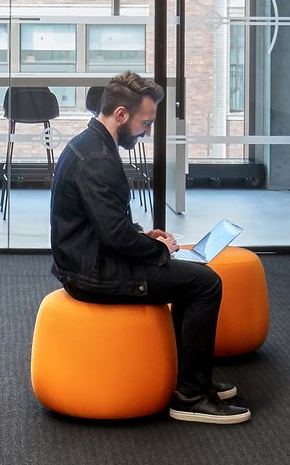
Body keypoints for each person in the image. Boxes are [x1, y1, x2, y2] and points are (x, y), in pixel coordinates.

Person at [50, 71, 248, 425]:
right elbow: (114, 237)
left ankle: (189, 378)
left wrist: (146, 236)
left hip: (90, 262)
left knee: (194, 276)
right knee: (205, 283)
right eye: (146, 123)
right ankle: (190, 396)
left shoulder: (92, 143)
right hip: (93, 275)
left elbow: (107, 226)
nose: (148, 132)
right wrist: (161, 253)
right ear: (121, 114)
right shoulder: (96, 158)